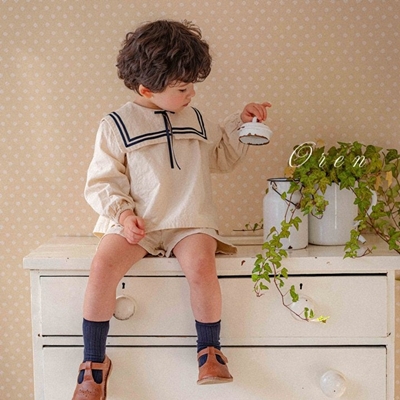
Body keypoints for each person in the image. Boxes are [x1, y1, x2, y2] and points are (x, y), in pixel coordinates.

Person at [72, 19, 271, 400]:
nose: (191, 93)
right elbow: (102, 180)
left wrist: (243, 124)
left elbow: (222, 157)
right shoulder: (117, 124)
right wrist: (123, 215)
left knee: (201, 264)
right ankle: (93, 362)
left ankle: (209, 351)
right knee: (102, 266)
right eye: (182, 88)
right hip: (138, 223)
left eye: (192, 85)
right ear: (147, 89)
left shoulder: (197, 120)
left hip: (188, 220)